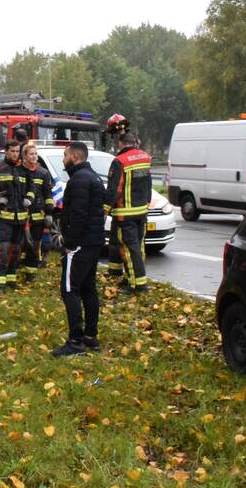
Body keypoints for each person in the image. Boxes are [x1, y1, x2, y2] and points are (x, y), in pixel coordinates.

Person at [52, 142, 106, 357]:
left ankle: (75, 341)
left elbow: (78, 215)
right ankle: (90, 336)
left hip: (80, 244)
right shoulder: (92, 176)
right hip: (93, 242)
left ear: (74, 156)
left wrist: (69, 243)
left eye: (65, 155)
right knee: (87, 288)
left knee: (69, 289)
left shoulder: (79, 180)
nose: (63, 159)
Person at [104, 132, 153, 293]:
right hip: (141, 211)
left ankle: (138, 285)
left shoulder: (119, 161)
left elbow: (115, 189)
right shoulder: (145, 157)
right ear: (135, 142)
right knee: (138, 246)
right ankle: (131, 277)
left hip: (125, 213)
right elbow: (148, 183)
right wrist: (146, 202)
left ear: (121, 143)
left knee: (128, 248)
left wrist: (104, 209)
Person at [0, 140, 29, 291]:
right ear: (6, 151)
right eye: (12, 151)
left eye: (17, 151)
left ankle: (11, 279)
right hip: (4, 218)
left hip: (20, 218)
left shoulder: (23, 170)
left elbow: (32, 187)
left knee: (16, 250)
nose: (15, 154)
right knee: (3, 249)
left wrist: (29, 199)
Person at [20, 143, 55, 281]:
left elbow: (48, 194)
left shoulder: (43, 173)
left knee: (34, 245)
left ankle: (31, 273)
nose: (34, 156)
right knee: (19, 244)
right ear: (24, 156)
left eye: (36, 154)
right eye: (31, 154)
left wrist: (50, 213)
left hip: (37, 215)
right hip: (20, 214)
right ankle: (15, 268)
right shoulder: (19, 171)